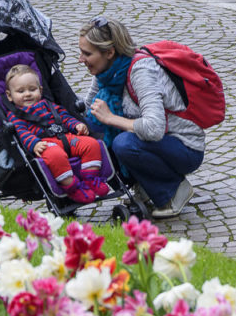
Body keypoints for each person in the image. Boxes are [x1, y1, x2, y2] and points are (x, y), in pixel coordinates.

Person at [79, 18, 204, 218]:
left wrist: (111, 118)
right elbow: (86, 108)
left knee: (124, 143)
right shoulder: (105, 72)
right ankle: (146, 186)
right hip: (157, 144)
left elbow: (154, 128)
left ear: (109, 53)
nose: (80, 59)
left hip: (184, 147)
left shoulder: (140, 71)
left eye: (87, 54)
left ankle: (175, 189)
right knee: (93, 137)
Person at [4, 64, 110, 204]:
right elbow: (22, 134)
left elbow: (65, 117)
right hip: (46, 144)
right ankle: (72, 187)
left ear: (40, 90)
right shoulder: (15, 116)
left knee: (91, 144)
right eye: (21, 91)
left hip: (66, 137)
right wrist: (35, 144)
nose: (27, 94)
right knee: (55, 156)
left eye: (32, 89)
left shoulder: (49, 105)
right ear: (9, 96)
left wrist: (76, 125)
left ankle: (91, 178)